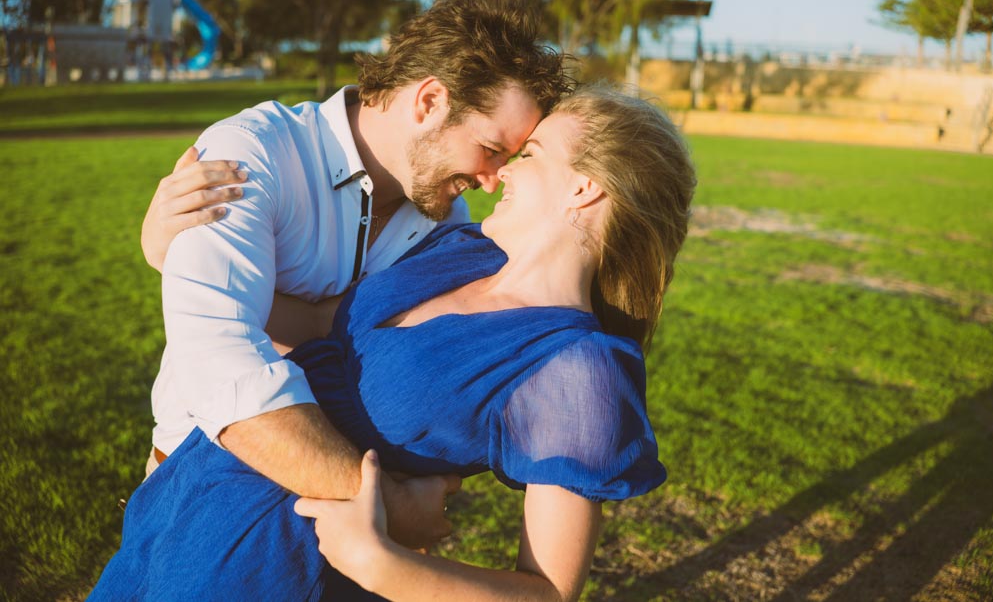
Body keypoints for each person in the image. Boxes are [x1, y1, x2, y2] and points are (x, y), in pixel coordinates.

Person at [91, 86, 697, 601]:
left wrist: (383, 565)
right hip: (185, 501)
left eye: (530, 154)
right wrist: (181, 259)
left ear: (584, 188)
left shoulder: (577, 365)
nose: (501, 173)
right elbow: (314, 324)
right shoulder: (460, 251)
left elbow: (548, 591)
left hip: (282, 565)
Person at [140, 0, 573, 548]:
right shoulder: (253, 156)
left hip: (349, 515)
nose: (493, 182)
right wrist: (391, 509)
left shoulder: (447, 216)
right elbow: (222, 369)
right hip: (204, 490)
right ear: (429, 101)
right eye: (491, 150)